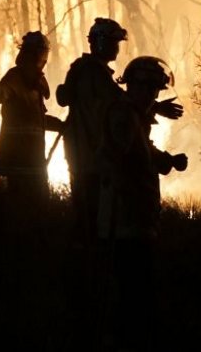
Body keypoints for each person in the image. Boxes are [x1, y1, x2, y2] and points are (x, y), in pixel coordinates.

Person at [56, 17, 182, 242]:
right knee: (94, 225)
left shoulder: (92, 72)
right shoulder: (93, 74)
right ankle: (89, 269)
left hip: (88, 156)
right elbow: (123, 105)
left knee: (92, 223)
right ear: (100, 42)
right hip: (92, 160)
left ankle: (88, 264)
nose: (117, 48)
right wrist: (157, 107)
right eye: (114, 43)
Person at [97, 55, 188, 349]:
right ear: (134, 86)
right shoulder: (124, 116)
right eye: (149, 90)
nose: (152, 97)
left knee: (138, 294)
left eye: (156, 92)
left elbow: (143, 150)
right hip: (123, 224)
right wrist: (156, 163)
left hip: (135, 222)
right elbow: (126, 156)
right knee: (130, 297)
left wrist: (167, 160)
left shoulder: (133, 116)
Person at [0, 30, 64, 206]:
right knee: (20, 206)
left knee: (38, 205)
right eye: (42, 53)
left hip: (34, 158)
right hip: (17, 159)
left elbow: (36, 120)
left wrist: (60, 125)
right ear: (34, 54)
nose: (44, 58)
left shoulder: (35, 84)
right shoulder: (15, 77)